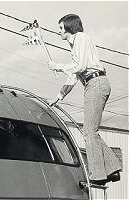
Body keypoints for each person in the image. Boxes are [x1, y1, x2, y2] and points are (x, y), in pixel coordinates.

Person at [48, 14, 121, 185]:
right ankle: (112, 168)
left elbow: (79, 66)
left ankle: (97, 175)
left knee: (89, 131)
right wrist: (58, 97)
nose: (59, 32)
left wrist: (57, 66)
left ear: (68, 27)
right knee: (90, 131)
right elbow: (73, 77)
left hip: (95, 83)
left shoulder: (80, 38)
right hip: (94, 84)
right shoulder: (75, 46)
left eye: (60, 28)